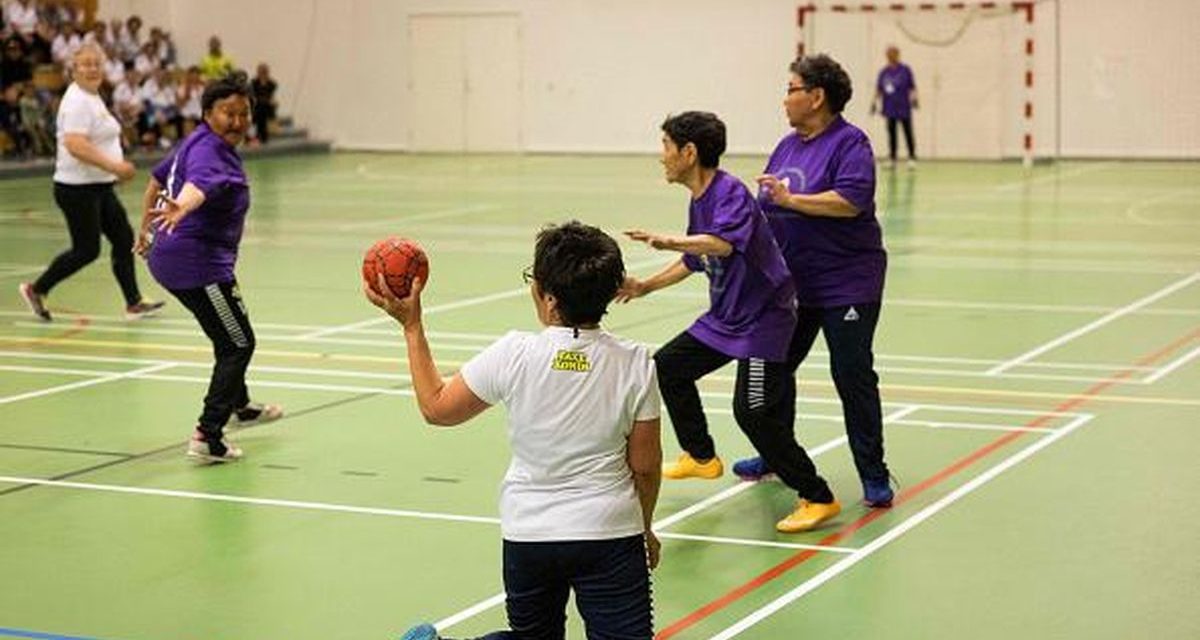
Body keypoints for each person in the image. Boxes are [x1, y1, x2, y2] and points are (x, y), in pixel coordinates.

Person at [375, 222, 662, 640]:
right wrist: (645, 527)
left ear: (549, 300)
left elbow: (436, 408)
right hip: (610, 534)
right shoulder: (636, 363)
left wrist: (412, 326)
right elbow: (647, 466)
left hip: (530, 534)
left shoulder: (515, 354)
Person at [618, 111, 841, 534]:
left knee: (753, 411)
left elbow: (720, 244)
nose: (661, 157)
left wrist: (668, 239)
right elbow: (694, 259)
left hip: (764, 321)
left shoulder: (730, 193)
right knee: (666, 367)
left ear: (689, 152)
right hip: (725, 318)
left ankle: (818, 495)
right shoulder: (699, 199)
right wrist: (645, 285)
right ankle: (701, 456)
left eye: (666, 147)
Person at [740, 54, 895, 509]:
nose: (785, 98)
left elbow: (850, 200)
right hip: (793, 284)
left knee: (851, 373)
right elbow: (766, 206)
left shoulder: (850, 143)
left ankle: (873, 473)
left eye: (791, 88)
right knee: (776, 367)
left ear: (817, 96)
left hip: (848, 283)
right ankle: (777, 455)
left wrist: (794, 199)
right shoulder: (787, 145)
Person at [134, 71, 281, 462]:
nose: (236, 121)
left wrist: (147, 228)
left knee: (227, 333)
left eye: (243, 113)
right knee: (238, 343)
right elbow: (197, 185)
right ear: (206, 113)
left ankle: (241, 405)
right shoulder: (211, 153)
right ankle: (207, 435)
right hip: (197, 265)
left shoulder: (197, 140)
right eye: (226, 113)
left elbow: (155, 179)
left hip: (176, 257)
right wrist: (183, 205)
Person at [18, 44, 163, 322]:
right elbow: (75, 145)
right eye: (86, 64)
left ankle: (133, 303)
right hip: (76, 190)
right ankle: (37, 289)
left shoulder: (93, 97)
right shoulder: (76, 102)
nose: (92, 68)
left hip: (98, 186)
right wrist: (115, 167)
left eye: (97, 63)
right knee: (86, 250)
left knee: (122, 238)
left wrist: (111, 172)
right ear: (73, 70)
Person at [870, 45, 918, 169]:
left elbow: (912, 87)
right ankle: (892, 159)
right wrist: (874, 102)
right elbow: (879, 89)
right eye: (889, 54)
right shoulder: (884, 72)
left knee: (907, 132)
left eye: (893, 54)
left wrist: (915, 99)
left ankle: (912, 158)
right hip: (890, 107)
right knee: (892, 133)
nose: (891, 56)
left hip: (903, 107)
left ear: (897, 55)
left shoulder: (905, 70)